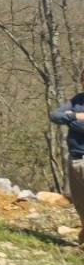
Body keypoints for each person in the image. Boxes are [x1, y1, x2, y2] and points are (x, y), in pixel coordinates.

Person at [48, 70, 84, 245]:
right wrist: (75, 117)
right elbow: (55, 115)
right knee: (79, 203)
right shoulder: (77, 100)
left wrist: (70, 120)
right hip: (74, 159)